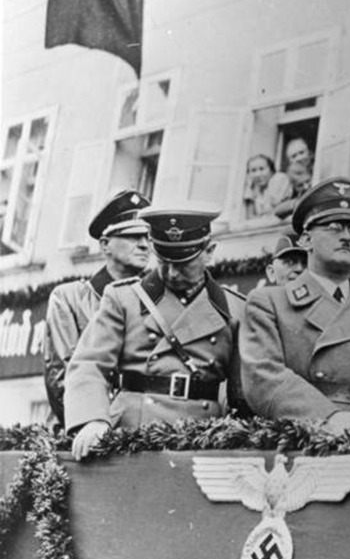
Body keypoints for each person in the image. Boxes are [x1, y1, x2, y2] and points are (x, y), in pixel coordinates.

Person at [64, 203, 248, 460]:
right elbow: (89, 364)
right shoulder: (124, 298)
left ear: (209, 252)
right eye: (164, 261)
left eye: (183, 263)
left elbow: (244, 394)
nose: (172, 273)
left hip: (201, 439)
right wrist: (94, 419)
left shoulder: (235, 310)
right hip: (130, 433)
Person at [240, 177, 350, 431]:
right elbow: (263, 377)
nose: (347, 237)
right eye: (334, 227)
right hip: (304, 435)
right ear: (306, 240)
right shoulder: (270, 303)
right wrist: (330, 418)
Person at [43, 190, 151, 428]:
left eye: (148, 237)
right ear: (105, 245)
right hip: (82, 432)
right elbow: (62, 379)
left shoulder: (154, 302)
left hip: (139, 433)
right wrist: (95, 428)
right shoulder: (69, 298)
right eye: (133, 236)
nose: (144, 245)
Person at [242, 154, 293, 219]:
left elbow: (275, 209)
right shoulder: (253, 187)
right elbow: (250, 217)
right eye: (253, 170)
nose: (258, 174)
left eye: (262, 169)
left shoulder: (279, 179)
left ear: (271, 170)